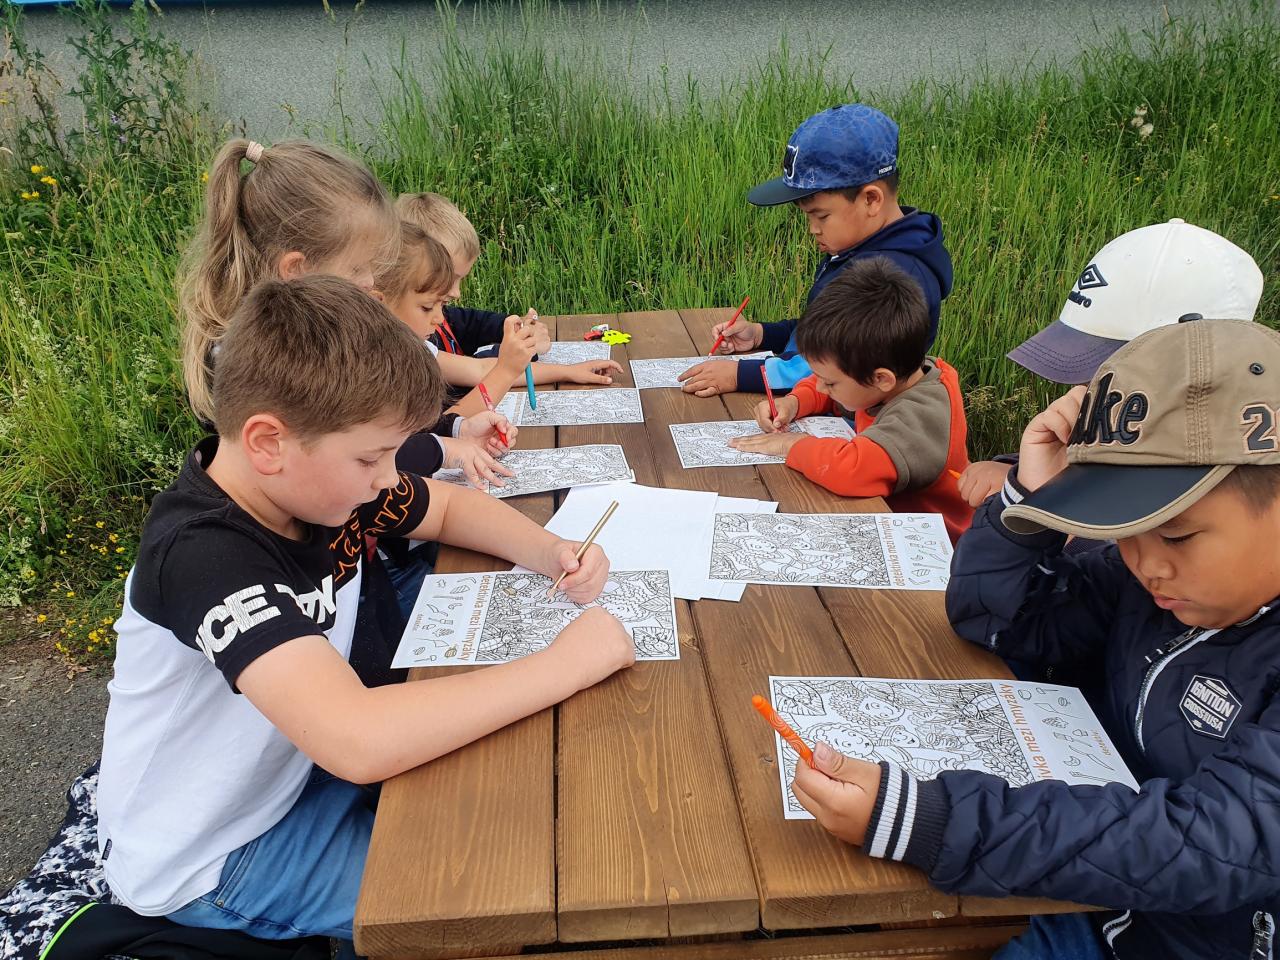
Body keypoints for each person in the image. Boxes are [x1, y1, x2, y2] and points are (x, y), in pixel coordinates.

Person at [96, 276, 635, 953]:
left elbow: (446, 508)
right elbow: (358, 738)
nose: (388, 478)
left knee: (512, 806)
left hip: (294, 772)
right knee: (481, 894)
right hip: (211, 852)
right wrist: (569, 663)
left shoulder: (315, 482)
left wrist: (551, 551)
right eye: (373, 457)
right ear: (268, 442)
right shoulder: (204, 556)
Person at [788, 317, 1280, 960]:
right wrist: (1028, 497)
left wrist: (931, 820)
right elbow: (997, 622)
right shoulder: (1143, 583)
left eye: (1177, 534)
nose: (1145, 563)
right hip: (1070, 887)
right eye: (1121, 529)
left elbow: (1211, 841)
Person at [957, 219, 1264, 509]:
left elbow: (1120, 530)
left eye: (1105, 371)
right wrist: (1019, 473)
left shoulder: (1226, 478)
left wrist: (1040, 500)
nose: (1084, 389)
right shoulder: (1152, 429)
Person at [677, 103, 951, 398]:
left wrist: (740, 374)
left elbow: (839, 365)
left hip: (855, 419)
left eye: (821, 216)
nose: (813, 229)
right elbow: (826, 333)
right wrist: (763, 334)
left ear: (871, 200)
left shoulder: (896, 275)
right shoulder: (859, 248)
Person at [730, 257, 971, 542]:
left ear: (881, 379)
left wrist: (791, 444)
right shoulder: (890, 377)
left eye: (830, 382)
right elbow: (840, 395)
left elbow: (853, 469)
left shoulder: (920, 414)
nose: (821, 387)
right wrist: (795, 402)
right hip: (885, 519)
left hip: (935, 544)